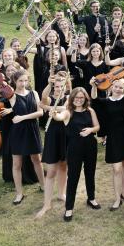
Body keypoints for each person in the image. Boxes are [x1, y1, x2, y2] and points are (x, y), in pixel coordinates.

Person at [53, 87, 100, 222]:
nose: (79, 100)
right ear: (72, 98)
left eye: (81, 98)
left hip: (90, 146)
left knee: (90, 173)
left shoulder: (90, 111)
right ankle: (69, 208)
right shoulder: (68, 112)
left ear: (85, 98)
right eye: (76, 98)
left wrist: (91, 130)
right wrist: (54, 114)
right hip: (74, 148)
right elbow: (59, 117)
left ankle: (91, 199)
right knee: (73, 177)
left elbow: (97, 127)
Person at [90, 77, 124, 209]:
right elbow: (94, 100)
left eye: (120, 87)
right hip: (113, 137)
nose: (118, 89)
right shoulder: (106, 102)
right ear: (111, 87)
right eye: (116, 86)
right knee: (117, 169)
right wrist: (94, 86)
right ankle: (117, 199)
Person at [2, 70, 46, 205]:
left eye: (26, 80)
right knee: (16, 164)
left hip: (32, 129)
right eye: (20, 81)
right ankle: (19, 193)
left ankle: (43, 186)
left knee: (37, 160)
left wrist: (22, 117)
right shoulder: (12, 96)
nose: (23, 83)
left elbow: (40, 112)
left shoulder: (34, 94)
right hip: (18, 132)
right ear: (15, 81)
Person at [36, 71, 69, 218]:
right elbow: (43, 98)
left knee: (64, 166)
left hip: (65, 135)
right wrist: (49, 84)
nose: (58, 88)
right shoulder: (50, 98)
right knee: (51, 172)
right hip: (52, 137)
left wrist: (48, 108)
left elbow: (66, 109)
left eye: (60, 86)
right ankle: (47, 204)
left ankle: (62, 194)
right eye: (56, 86)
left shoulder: (68, 98)